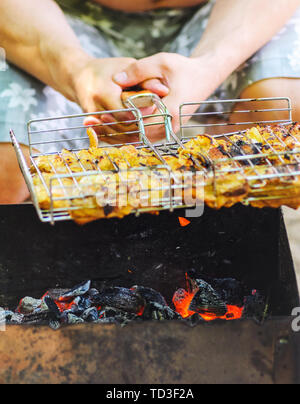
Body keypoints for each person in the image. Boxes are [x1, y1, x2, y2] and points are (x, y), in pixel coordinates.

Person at [0, 0, 300, 203]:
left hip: (224, 13)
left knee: (284, 103)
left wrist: (209, 65)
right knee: (6, 163)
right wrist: (74, 69)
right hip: (59, 19)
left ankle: (221, 208)